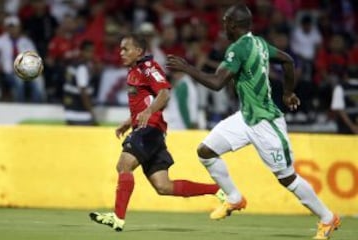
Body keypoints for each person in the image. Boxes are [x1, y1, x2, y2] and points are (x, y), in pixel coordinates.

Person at [167, 4, 341, 240]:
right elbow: (288, 60)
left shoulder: (238, 48)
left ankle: (328, 217)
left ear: (234, 25)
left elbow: (217, 83)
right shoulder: (258, 43)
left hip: (266, 122)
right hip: (246, 117)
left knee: (287, 178)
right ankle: (234, 198)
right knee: (206, 151)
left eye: (226, 21)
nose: (223, 25)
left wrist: (187, 68)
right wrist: (288, 93)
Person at [89, 33, 223, 231]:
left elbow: (164, 93)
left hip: (149, 129)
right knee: (163, 186)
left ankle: (117, 218)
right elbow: (144, 101)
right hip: (150, 130)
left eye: (126, 49)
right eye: (120, 48)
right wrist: (129, 122)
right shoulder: (134, 70)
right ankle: (218, 190)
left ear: (139, 51)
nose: (121, 52)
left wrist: (149, 112)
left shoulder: (148, 68)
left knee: (124, 165)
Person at [63, 40, 98, 126]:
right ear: (82, 52)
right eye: (88, 51)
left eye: (92, 51)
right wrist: (91, 112)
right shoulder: (82, 68)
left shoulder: (74, 65)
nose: (91, 54)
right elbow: (83, 92)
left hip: (70, 112)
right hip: (80, 114)